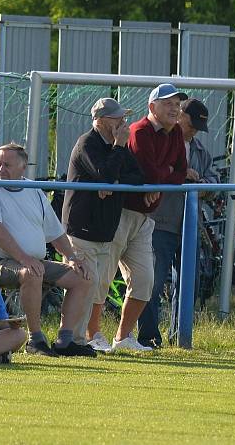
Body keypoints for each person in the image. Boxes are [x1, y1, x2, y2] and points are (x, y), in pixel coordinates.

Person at [0, 143, 94, 357]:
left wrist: (72, 257)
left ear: (23, 166)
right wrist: (24, 259)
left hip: (31, 261)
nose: (0, 170)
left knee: (82, 277)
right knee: (32, 273)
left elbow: (54, 232)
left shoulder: (33, 190)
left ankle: (65, 340)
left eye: (6, 165)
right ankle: (35, 340)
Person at [104, 83, 187, 351]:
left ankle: (123, 338)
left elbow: (180, 172)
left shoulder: (175, 133)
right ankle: (88, 336)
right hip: (121, 213)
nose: (175, 109)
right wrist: (162, 176)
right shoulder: (139, 130)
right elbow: (150, 172)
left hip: (146, 216)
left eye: (177, 104)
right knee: (101, 278)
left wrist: (157, 184)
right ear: (152, 107)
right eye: (168, 104)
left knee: (144, 281)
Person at [61, 98, 146, 353]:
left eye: (123, 117)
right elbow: (104, 174)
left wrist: (113, 183)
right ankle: (71, 340)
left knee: (93, 286)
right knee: (85, 285)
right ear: (100, 121)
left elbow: (138, 177)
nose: (123, 122)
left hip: (103, 232)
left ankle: (75, 339)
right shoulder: (88, 143)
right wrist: (113, 168)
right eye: (117, 118)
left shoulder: (116, 147)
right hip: (83, 229)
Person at [139, 97, 219, 347]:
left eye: (198, 127)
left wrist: (202, 186)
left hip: (189, 226)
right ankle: (149, 338)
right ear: (180, 115)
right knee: (152, 284)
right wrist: (180, 176)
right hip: (160, 222)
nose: (194, 130)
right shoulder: (159, 140)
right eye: (191, 123)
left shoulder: (201, 151)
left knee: (188, 287)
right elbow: (150, 171)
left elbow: (214, 181)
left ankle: (180, 338)